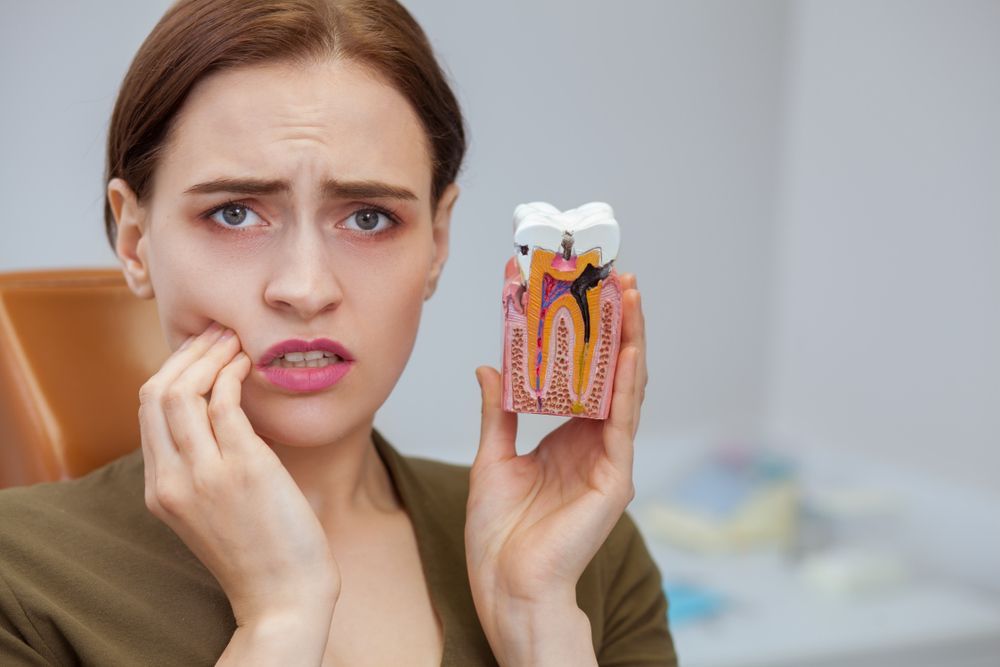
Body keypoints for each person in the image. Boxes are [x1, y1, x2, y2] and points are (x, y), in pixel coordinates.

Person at [0, 0, 676, 664]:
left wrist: (540, 623)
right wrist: (280, 620)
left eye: (369, 218)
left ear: (437, 241)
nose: (306, 287)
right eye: (235, 213)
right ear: (135, 238)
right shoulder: (19, 579)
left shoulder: (582, 555)